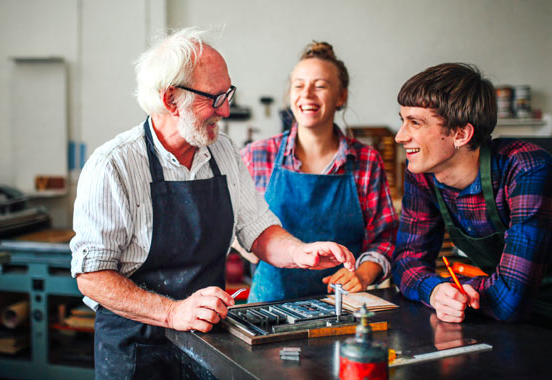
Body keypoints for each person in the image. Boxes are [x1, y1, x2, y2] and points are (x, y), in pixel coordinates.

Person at [69, 28, 356, 380]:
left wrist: (301, 252)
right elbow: (92, 277)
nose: (226, 109)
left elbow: (257, 230)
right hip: (135, 352)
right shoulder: (113, 165)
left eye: (228, 94)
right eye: (214, 97)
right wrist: (174, 313)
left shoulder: (222, 152)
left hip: (209, 344)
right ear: (171, 98)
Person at [392, 62, 552, 324]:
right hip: (507, 320)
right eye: (403, 121)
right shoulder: (421, 175)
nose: (400, 136)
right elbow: (405, 263)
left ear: (461, 134)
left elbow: (510, 298)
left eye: (415, 123)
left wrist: (456, 291)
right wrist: (436, 291)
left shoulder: (526, 169)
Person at [240, 41, 398, 303]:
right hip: (268, 310)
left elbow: (385, 239)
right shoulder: (256, 156)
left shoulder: (366, 161)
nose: (307, 94)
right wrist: (251, 246)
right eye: (299, 85)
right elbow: (232, 226)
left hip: (342, 306)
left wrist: (363, 274)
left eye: (321, 85)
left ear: (341, 96)